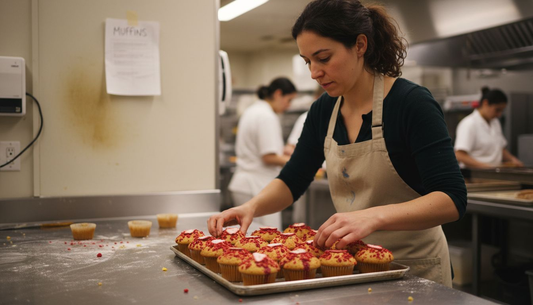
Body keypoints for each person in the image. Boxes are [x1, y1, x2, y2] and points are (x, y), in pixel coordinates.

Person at [209, 0, 466, 287]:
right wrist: (252, 207)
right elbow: (292, 179)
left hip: (414, 268)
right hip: (351, 266)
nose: (314, 72)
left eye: (323, 58)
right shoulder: (324, 110)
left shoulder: (411, 103)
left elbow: (451, 198)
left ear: (359, 45)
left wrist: (373, 217)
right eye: (308, 61)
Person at [227, 77, 297, 230]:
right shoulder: (267, 116)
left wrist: (282, 152)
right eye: (289, 100)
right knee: (266, 238)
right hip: (257, 186)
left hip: (245, 183)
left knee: (246, 238)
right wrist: (299, 162)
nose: (288, 106)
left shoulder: (253, 110)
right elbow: (269, 157)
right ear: (278, 94)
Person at [455, 87, 523, 169]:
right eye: (497, 110)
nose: (499, 114)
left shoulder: (495, 122)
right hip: (475, 175)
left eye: (502, 110)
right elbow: (459, 155)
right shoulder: (469, 124)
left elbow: (499, 148)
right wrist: (487, 167)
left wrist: (513, 160)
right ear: (485, 103)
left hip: (493, 173)